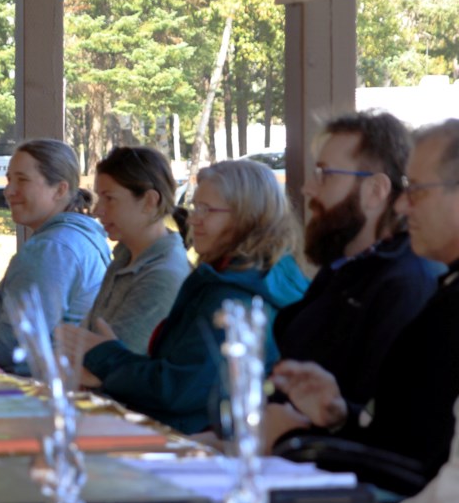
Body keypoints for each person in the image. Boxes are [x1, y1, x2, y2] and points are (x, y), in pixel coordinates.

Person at [270, 119, 459, 492]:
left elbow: (428, 477)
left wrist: (288, 443)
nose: (402, 205)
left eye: (417, 190)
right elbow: (403, 432)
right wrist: (338, 415)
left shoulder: (412, 284)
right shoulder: (438, 288)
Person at [57, 159, 308, 434]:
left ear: (247, 217)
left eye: (206, 210)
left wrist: (104, 357)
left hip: (204, 447)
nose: (193, 219)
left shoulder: (236, 297)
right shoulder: (248, 278)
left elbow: (180, 390)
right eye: (195, 207)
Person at [273, 111, 441, 405]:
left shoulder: (408, 285)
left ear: (375, 191)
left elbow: (384, 428)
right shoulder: (344, 268)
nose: (308, 187)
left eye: (324, 173)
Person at [0, 139, 111, 374]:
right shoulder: (78, 238)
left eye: (22, 180)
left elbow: (11, 343)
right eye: (9, 179)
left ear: (60, 190)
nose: (9, 191)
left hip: (37, 392)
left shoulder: (53, 248)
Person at [83, 146, 191, 354]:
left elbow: (112, 364)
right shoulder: (126, 256)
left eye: (109, 198)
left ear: (150, 201)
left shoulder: (162, 275)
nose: (97, 211)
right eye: (99, 198)